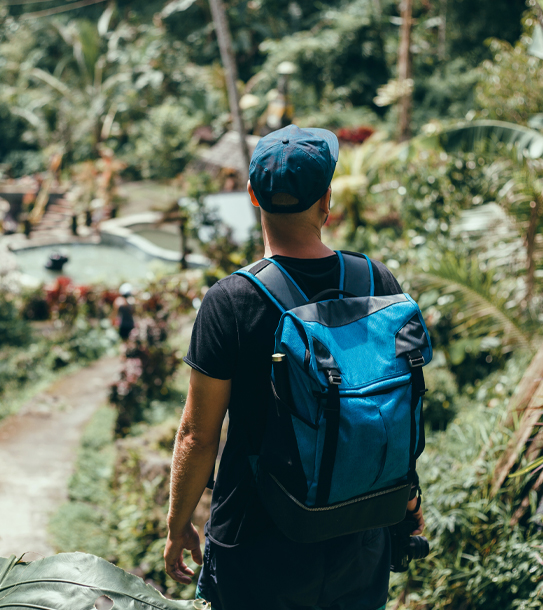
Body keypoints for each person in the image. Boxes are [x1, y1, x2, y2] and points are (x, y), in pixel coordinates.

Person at [164, 125, 425, 610]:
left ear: (252, 197)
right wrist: (409, 501)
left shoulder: (232, 301)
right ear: (327, 201)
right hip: (359, 536)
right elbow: (400, 408)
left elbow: (198, 436)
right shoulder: (377, 282)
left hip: (258, 544)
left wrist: (179, 525)